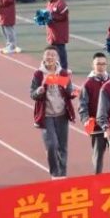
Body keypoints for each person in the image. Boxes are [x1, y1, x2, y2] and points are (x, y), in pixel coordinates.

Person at [30, 46, 75, 179]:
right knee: (52, 145)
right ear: (43, 57)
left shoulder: (63, 73)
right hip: (46, 116)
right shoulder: (39, 74)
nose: (50, 57)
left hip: (62, 115)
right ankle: (55, 173)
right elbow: (32, 94)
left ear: (57, 58)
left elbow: (69, 92)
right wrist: (38, 91)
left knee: (62, 147)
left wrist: (73, 92)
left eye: (53, 55)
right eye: (47, 55)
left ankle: (62, 174)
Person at [78, 52, 110, 174]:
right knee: (98, 156)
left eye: (103, 64)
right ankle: (97, 180)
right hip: (97, 127)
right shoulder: (88, 84)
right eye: (98, 64)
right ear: (93, 65)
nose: (101, 67)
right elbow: (82, 105)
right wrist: (86, 120)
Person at [44, 0, 69, 69]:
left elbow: (64, 16)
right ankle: (54, 65)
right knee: (52, 50)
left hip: (59, 31)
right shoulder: (50, 2)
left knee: (61, 49)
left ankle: (64, 68)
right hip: (52, 30)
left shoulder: (61, 3)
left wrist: (52, 17)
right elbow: (48, 13)